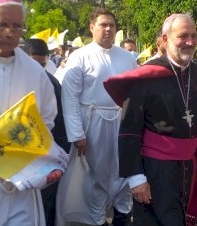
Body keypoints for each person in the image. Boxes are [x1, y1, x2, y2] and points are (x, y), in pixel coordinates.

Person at [103, 13, 197, 226]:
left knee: (183, 217)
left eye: (194, 36)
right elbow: (129, 130)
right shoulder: (146, 77)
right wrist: (135, 177)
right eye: (183, 36)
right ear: (166, 39)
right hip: (155, 168)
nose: (190, 42)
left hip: (189, 164)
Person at [56, 8, 137, 226]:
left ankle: (122, 214)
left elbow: (135, 92)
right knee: (95, 175)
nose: (108, 29)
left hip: (121, 123)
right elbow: (70, 97)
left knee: (123, 170)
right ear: (92, 28)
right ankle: (96, 219)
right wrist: (76, 133)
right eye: (103, 24)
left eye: (112, 25)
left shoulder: (127, 57)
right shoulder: (79, 57)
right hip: (91, 125)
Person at [0, 1, 58, 225]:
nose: (9, 32)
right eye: (1, 25)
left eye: (17, 26)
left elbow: (47, 117)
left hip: (19, 177)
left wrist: (29, 138)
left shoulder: (34, 71)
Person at [22, 38, 70, 226]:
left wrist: (57, 159)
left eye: (42, 65)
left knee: (45, 206)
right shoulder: (4, 81)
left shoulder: (52, 84)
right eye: (33, 64)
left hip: (44, 160)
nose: (38, 70)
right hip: (11, 159)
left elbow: (61, 124)